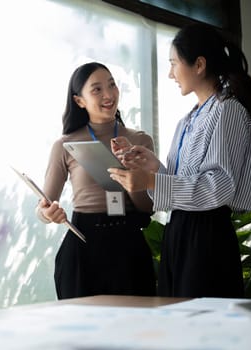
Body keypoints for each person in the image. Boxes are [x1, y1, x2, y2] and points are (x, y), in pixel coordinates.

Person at [108, 23, 251, 298]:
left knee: (202, 329)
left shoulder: (229, 111)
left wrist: (151, 180)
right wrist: (152, 166)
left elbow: (219, 186)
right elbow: (186, 182)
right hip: (178, 231)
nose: (170, 74)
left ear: (199, 64)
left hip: (207, 237)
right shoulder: (188, 119)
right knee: (178, 322)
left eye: (173, 63)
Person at [36, 62, 157, 299]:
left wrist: (132, 173)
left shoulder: (140, 140)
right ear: (79, 101)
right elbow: (44, 207)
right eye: (97, 89)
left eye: (112, 85)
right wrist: (48, 214)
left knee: (134, 329)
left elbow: (148, 206)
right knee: (83, 332)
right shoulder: (64, 145)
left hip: (128, 246)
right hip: (82, 247)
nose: (109, 94)